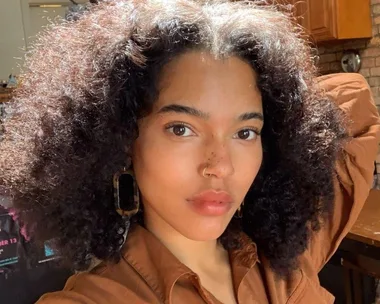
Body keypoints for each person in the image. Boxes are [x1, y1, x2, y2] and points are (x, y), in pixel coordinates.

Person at [0, 0, 379, 303]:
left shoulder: (285, 258)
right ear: (119, 139)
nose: (221, 166)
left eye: (245, 132)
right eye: (182, 129)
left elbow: (355, 95)